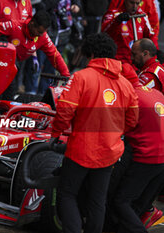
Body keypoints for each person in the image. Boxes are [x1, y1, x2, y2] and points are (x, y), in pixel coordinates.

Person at [50, 33, 139, 233]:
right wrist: (114, 133)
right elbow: (133, 120)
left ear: (91, 55)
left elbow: (64, 109)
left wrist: (55, 133)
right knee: (98, 200)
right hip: (110, 152)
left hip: (81, 150)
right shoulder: (125, 84)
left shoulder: (81, 77)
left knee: (67, 194)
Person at [0, 10, 70, 114]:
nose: (40, 35)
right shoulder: (14, 26)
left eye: (42, 32)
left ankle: (2, 124)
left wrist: (66, 76)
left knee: (8, 100)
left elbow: (55, 55)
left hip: (13, 68)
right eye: (39, 32)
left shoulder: (42, 36)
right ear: (32, 23)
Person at [111, 63, 164, 233]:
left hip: (146, 157)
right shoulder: (156, 93)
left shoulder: (130, 96)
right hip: (161, 158)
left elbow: (116, 129)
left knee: (120, 201)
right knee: (137, 205)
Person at [101, 0, 156, 66]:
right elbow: (104, 31)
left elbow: (151, 37)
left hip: (135, 63)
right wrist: (117, 21)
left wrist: (155, 55)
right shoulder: (114, 14)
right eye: (132, 3)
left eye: (137, 3)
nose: (134, 6)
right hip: (117, 62)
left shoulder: (142, 16)